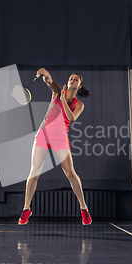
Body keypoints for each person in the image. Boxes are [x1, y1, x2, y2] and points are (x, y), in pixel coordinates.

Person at [18, 68, 92, 225]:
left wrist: (64, 100)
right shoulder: (58, 91)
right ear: (67, 81)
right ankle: (26, 209)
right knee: (34, 172)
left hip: (60, 138)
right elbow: (49, 81)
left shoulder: (79, 105)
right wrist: (45, 74)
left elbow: (71, 118)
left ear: (79, 86)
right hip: (43, 135)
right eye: (71, 78)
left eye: (76, 80)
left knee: (70, 173)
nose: (72, 80)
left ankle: (84, 208)